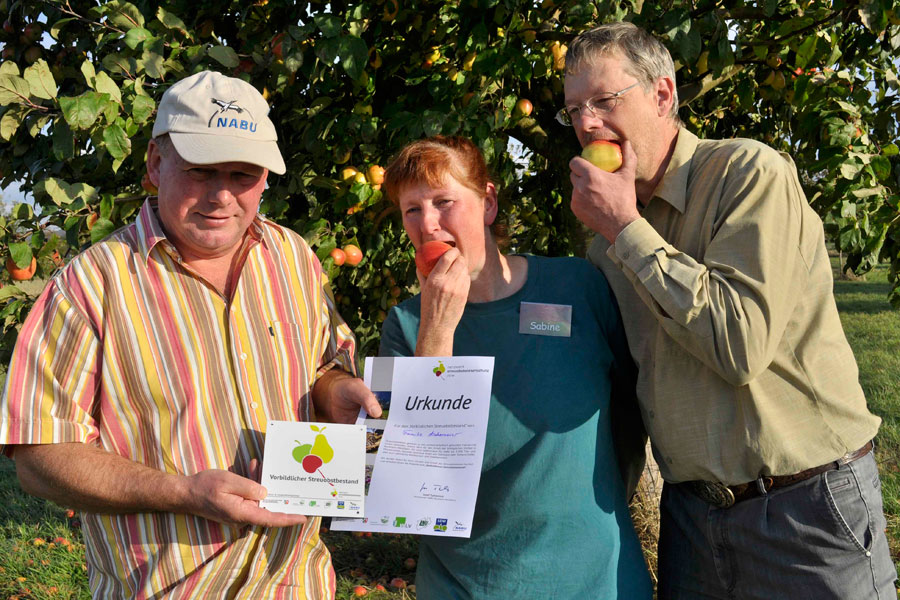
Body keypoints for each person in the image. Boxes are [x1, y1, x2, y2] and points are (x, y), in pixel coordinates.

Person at [0, 70, 381, 598]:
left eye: (243, 173)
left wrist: (335, 391)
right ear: (157, 164)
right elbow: (38, 458)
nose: (222, 196)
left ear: (266, 178)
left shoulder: (292, 258)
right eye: (201, 171)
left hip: (297, 582)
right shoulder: (89, 286)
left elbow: (321, 364)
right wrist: (182, 492)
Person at [561, 21, 898, 599]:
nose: (587, 123)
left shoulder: (748, 174)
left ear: (663, 94)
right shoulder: (606, 246)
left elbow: (740, 345)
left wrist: (625, 228)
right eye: (574, 110)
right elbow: (620, 390)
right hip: (694, 522)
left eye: (604, 101)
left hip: (805, 511)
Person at [378, 135, 652, 599]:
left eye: (444, 202)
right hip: (468, 584)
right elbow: (413, 485)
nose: (428, 224)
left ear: (487, 202)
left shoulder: (577, 286)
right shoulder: (407, 326)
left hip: (597, 578)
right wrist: (438, 330)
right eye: (411, 210)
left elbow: (632, 416)